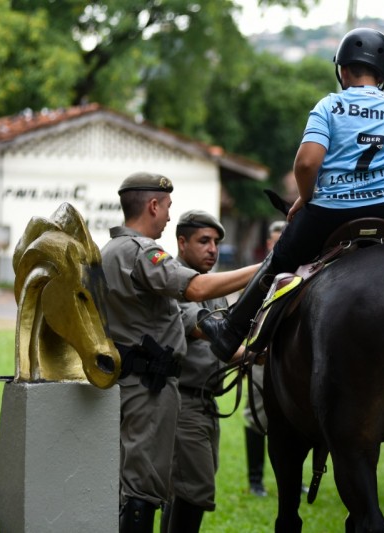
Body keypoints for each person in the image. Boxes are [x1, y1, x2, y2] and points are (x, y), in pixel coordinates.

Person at [201, 27, 384, 361]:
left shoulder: (330, 106)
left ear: (343, 70)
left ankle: (230, 332)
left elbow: (306, 165)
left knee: (280, 260)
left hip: (333, 210)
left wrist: (307, 198)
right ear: (383, 75)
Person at [101, 172, 259, 533]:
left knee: (142, 484)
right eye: (168, 207)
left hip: (135, 382)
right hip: (148, 387)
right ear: (153, 205)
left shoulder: (110, 251)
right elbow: (197, 289)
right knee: (144, 489)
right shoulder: (141, 252)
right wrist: (268, 267)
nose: (170, 216)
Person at [162, 210, 243, 531]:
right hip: (184, 403)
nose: (213, 249)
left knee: (183, 490)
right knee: (194, 491)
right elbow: (202, 328)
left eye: (216, 242)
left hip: (204, 402)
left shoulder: (211, 287)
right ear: (182, 242)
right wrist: (251, 353)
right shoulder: (173, 281)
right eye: (204, 241)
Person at [244, 220, 286, 497]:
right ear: (269, 243)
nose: (279, 244)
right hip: (263, 354)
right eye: (275, 240)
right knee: (257, 414)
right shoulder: (260, 277)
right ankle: (256, 480)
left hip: (291, 357)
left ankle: (289, 478)